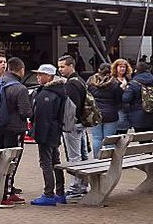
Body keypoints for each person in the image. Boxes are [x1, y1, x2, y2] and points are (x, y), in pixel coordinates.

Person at [0, 57, 32, 208]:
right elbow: (25, 112)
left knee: (1, 161)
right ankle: (5, 195)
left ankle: (3, 192)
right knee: (12, 162)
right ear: (21, 70)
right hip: (15, 128)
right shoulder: (20, 89)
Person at [28, 65, 66, 206]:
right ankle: (60, 192)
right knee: (55, 161)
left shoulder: (46, 94)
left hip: (46, 133)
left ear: (49, 76)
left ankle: (49, 193)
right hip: (55, 131)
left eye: (41, 74)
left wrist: (37, 135)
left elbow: (42, 117)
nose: (38, 77)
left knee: (46, 162)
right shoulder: (59, 90)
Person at [57, 55, 89, 198]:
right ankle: (83, 184)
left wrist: (66, 125)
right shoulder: (80, 81)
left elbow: (71, 108)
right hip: (81, 123)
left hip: (73, 125)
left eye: (63, 67)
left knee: (74, 157)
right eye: (59, 67)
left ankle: (76, 187)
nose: (60, 70)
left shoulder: (71, 85)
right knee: (83, 155)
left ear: (71, 66)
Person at [87, 63, 121, 157]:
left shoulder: (91, 81)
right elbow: (119, 99)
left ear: (98, 70)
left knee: (97, 138)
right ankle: (109, 161)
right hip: (111, 113)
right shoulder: (115, 83)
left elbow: (87, 96)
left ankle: (97, 159)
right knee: (109, 139)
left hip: (95, 113)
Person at [122, 61, 153, 132]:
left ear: (136, 70)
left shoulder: (133, 83)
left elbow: (126, 99)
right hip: (152, 114)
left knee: (141, 137)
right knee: (149, 136)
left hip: (137, 116)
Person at [110, 58, 132, 131]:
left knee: (125, 127)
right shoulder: (112, 79)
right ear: (116, 68)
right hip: (117, 105)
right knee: (119, 126)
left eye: (124, 67)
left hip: (127, 105)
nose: (122, 69)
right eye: (120, 67)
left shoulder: (128, 78)